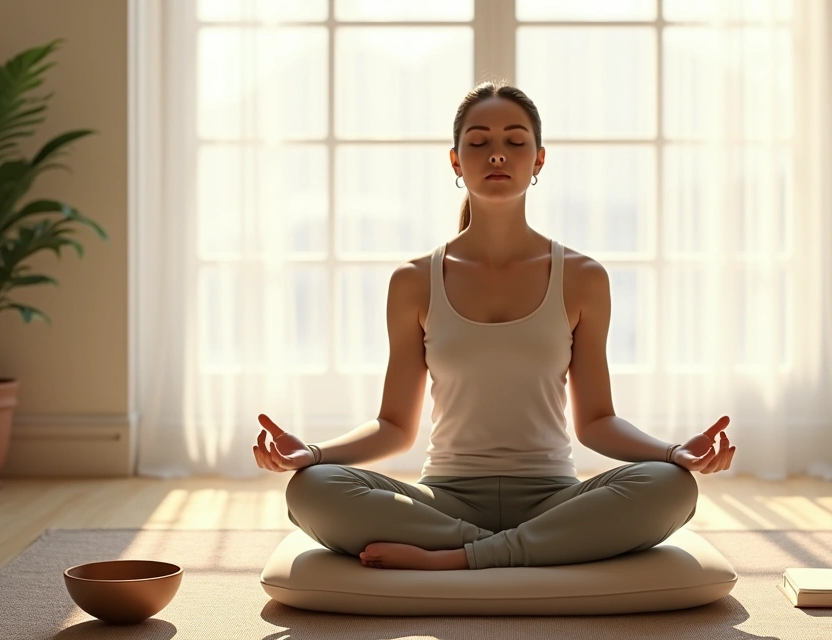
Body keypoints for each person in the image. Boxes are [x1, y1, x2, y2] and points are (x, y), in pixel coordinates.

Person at [252, 81, 736, 572]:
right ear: (456, 162)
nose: (498, 154)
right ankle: (522, 548)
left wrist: (674, 453)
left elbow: (596, 422)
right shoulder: (414, 281)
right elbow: (395, 427)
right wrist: (313, 454)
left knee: (670, 485)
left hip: (552, 498)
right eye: (479, 142)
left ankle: (460, 557)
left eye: (515, 141)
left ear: (539, 160)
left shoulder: (583, 278)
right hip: (445, 501)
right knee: (312, 489)